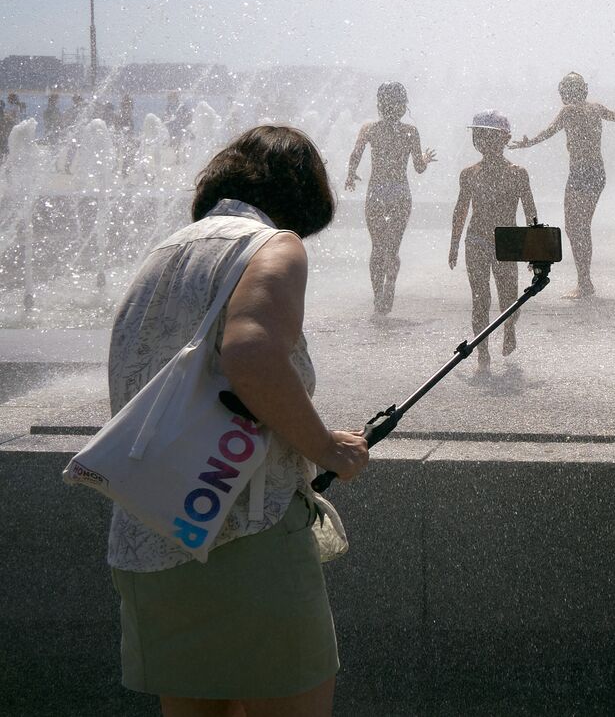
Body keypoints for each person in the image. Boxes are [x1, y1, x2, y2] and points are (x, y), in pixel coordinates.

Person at [105, 125, 370, 716]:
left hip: (152, 534)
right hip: (241, 534)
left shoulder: (165, 252)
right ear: (303, 195)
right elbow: (250, 354)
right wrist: (327, 448)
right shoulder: (272, 245)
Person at [510, 71, 615, 297]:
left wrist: (529, 143)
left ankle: (584, 283)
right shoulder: (595, 108)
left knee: (576, 228)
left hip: (581, 173)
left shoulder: (568, 111)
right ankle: (585, 281)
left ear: (565, 92)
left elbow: (548, 131)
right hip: (597, 173)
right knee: (581, 227)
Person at [449, 110, 538, 375]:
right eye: (479, 136)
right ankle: (482, 354)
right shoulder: (469, 174)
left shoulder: (518, 173)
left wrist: (536, 251)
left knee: (509, 298)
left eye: (489, 136)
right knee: (480, 299)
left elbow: (530, 212)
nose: (483, 141)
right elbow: (460, 209)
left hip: (507, 241)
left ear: (504, 139)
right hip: (475, 240)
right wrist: (454, 244)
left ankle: (509, 328)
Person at [345, 82, 436, 315]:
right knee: (392, 248)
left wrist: (351, 174)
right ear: (403, 106)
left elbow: (355, 153)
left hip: (376, 192)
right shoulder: (410, 131)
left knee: (376, 247)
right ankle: (390, 285)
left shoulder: (369, 129)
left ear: (379, 104)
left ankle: (378, 297)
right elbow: (418, 168)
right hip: (399, 193)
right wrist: (424, 158)